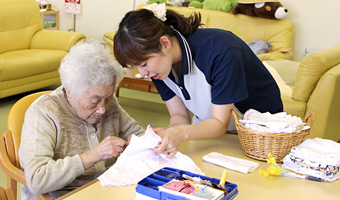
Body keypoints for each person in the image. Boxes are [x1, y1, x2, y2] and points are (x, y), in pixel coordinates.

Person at [113, 3, 283, 159]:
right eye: (137, 67)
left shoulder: (220, 52)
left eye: (144, 64)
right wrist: (169, 134)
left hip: (260, 132)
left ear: (164, 43)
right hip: (211, 127)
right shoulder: (159, 68)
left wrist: (181, 132)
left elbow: (219, 123)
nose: (143, 73)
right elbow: (179, 115)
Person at [18, 39, 144, 199]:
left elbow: (137, 134)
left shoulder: (108, 102)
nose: (103, 109)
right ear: (70, 91)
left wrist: (141, 143)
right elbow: (37, 179)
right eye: (94, 101)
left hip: (107, 189)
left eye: (108, 98)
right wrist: (94, 155)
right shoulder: (43, 114)